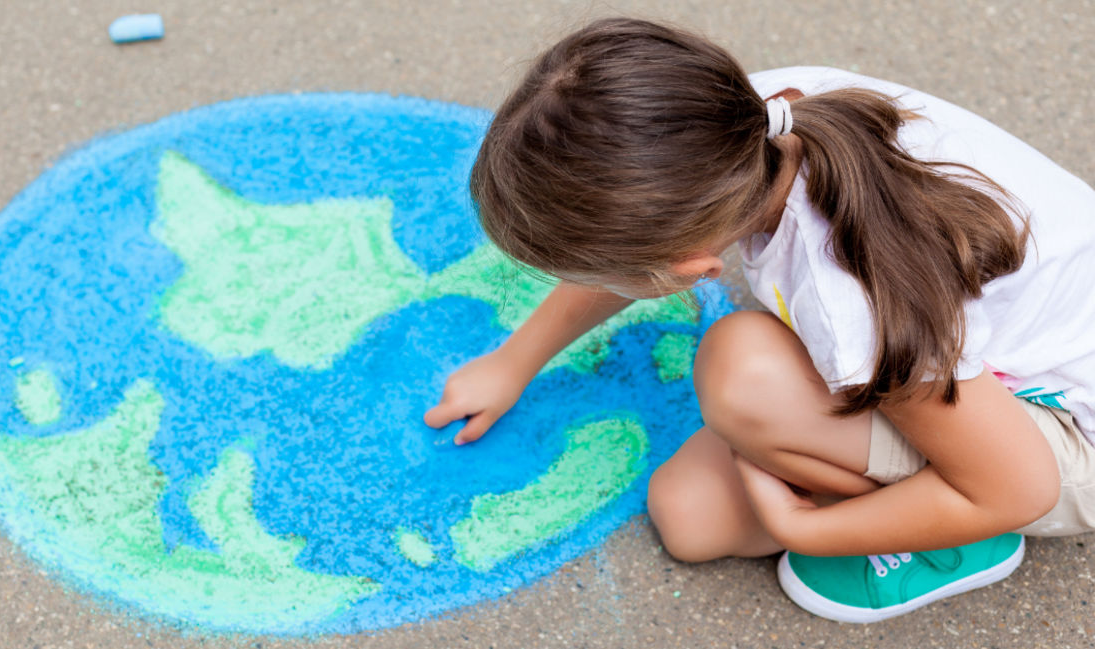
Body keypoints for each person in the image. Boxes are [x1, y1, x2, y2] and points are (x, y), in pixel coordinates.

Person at [422, 17, 1095, 623]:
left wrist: (807, 530)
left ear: (691, 268)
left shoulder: (854, 305)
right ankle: (911, 492)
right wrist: (513, 361)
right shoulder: (740, 120)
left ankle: (958, 535)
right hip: (968, 372)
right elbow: (643, 237)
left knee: (740, 368)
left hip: (1056, 445)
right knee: (690, 514)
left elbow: (1018, 485)